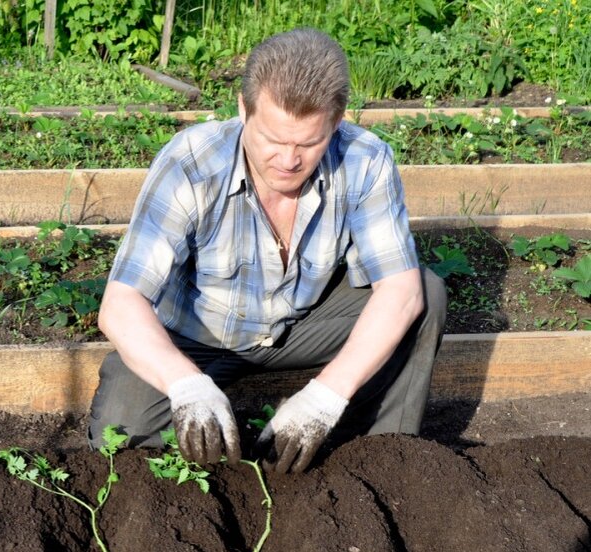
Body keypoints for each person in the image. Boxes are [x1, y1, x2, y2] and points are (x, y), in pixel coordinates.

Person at [88, 27, 447, 473]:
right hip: (198, 337)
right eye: (274, 141)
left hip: (302, 325)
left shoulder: (364, 159)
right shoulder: (192, 163)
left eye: (308, 143)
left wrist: (325, 397)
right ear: (244, 110)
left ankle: (372, 460)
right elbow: (121, 304)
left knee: (425, 294)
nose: (289, 160)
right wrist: (184, 384)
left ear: (336, 123)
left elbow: (401, 291)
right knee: (122, 436)